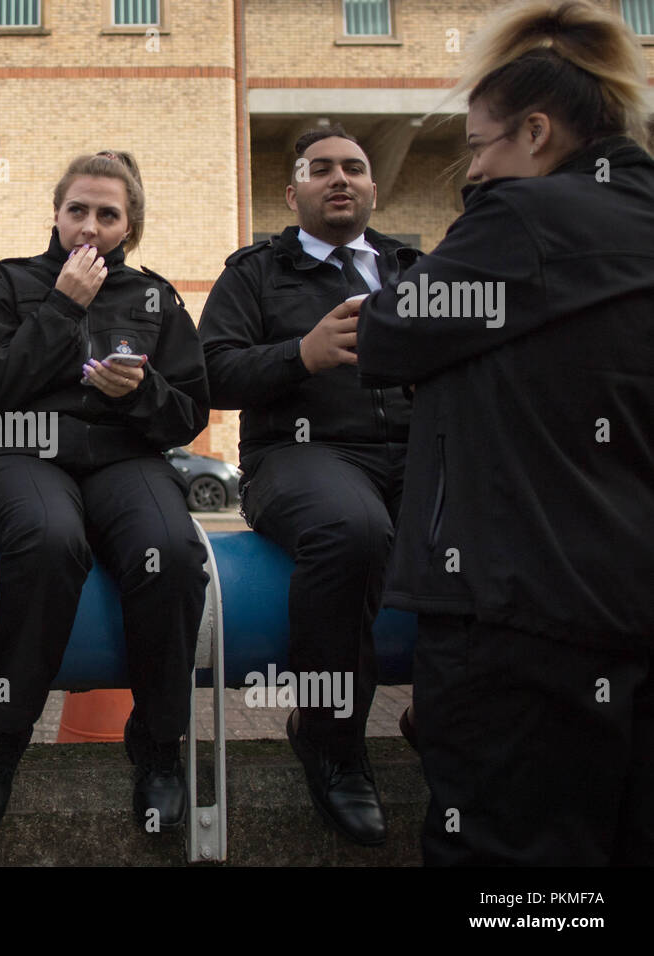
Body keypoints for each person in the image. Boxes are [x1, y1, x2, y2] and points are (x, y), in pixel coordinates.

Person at [356, 0, 654, 865]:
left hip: (522, 607)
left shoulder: (521, 219)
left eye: (479, 146)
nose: (474, 169)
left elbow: (390, 329)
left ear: (534, 131)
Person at [0, 151, 210, 833]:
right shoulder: (8, 284)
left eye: (107, 214)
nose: (89, 227)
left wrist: (145, 390)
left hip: (126, 460)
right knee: (49, 540)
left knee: (174, 553)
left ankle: (157, 743)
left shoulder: (156, 297)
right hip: (21, 455)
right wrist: (63, 307)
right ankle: (2, 740)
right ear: (56, 213)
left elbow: (190, 412)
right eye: (77, 210)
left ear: (130, 226)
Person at [198, 127, 420, 847]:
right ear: (292, 193)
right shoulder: (255, 274)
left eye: (354, 168)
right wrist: (302, 354)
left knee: (495, 525)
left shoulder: (414, 268)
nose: (340, 179)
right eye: (320, 170)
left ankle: (447, 719)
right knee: (353, 532)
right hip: (301, 459)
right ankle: (330, 742)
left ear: (373, 188)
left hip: (416, 452)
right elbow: (211, 373)